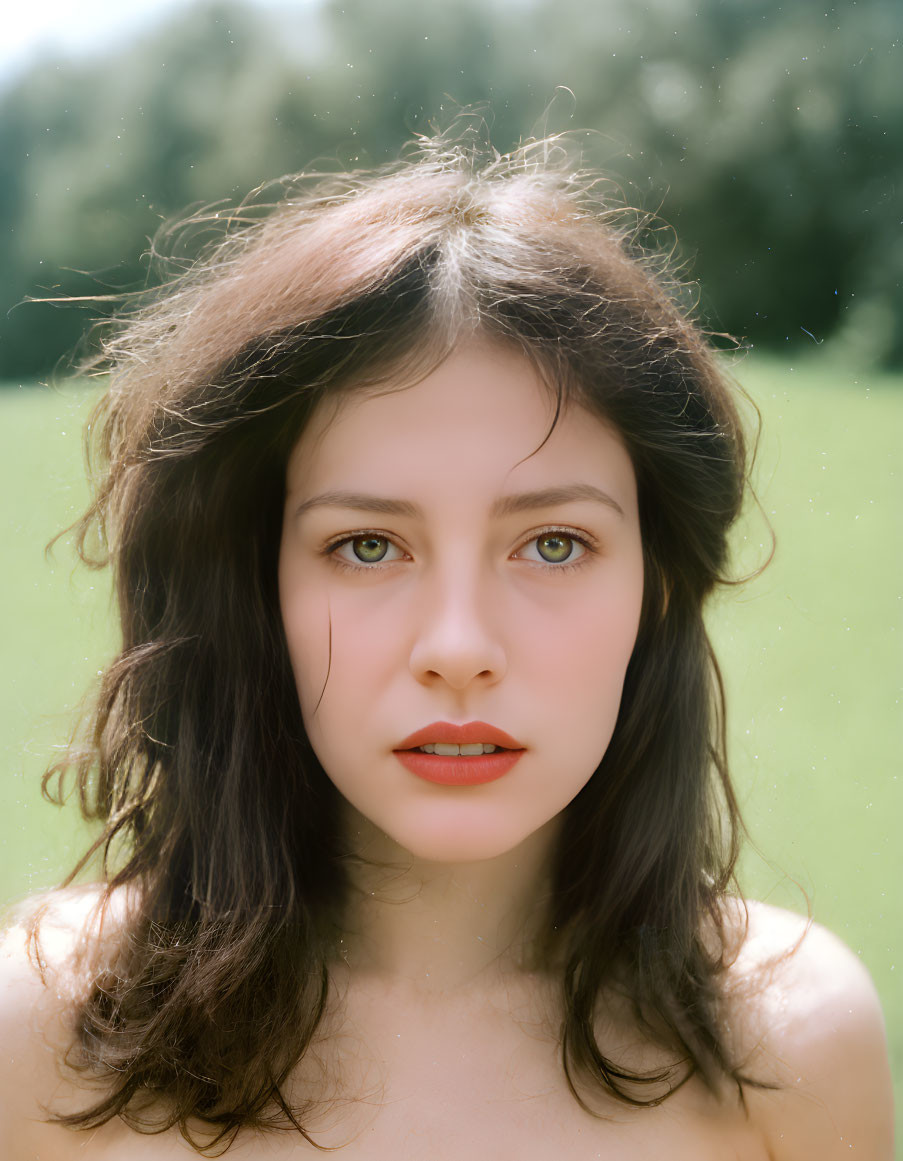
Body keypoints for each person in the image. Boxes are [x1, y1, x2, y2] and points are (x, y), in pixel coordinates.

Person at [0, 135, 894, 1159]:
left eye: (554, 544)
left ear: (657, 585)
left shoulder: (789, 1047)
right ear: (256, 586)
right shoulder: (51, 1040)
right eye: (367, 546)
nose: (459, 647)